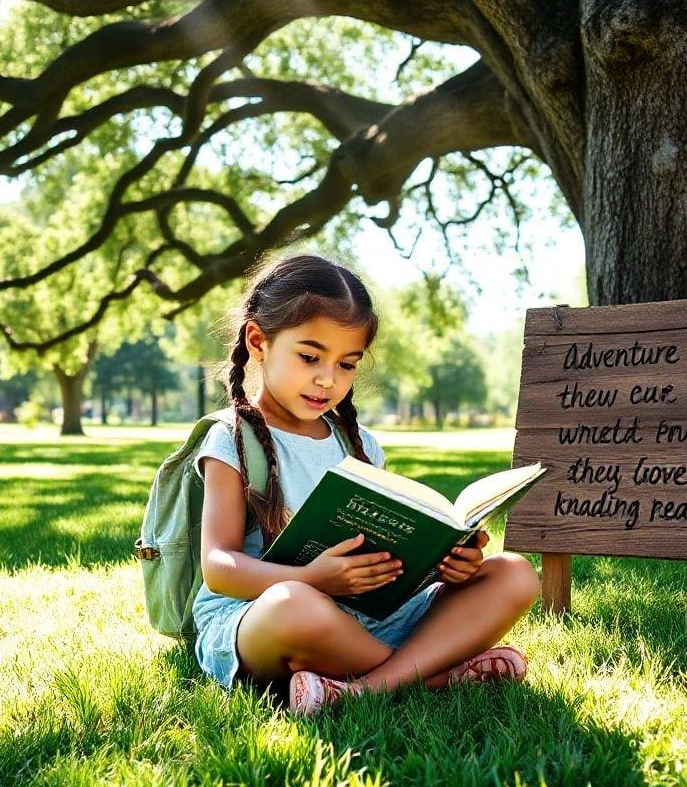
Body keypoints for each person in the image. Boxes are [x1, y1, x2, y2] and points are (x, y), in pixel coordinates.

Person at [192, 253, 541, 715]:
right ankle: (435, 675)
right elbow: (218, 566)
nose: (326, 379)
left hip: (367, 616)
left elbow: (388, 555)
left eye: (347, 364)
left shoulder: (358, 445)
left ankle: (363, 688)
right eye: (310, 356)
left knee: (513, 573)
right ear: (259, 341)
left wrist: (446, 564)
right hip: (265, 616)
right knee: (295, 605)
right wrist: (311, 579)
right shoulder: (232, 438)